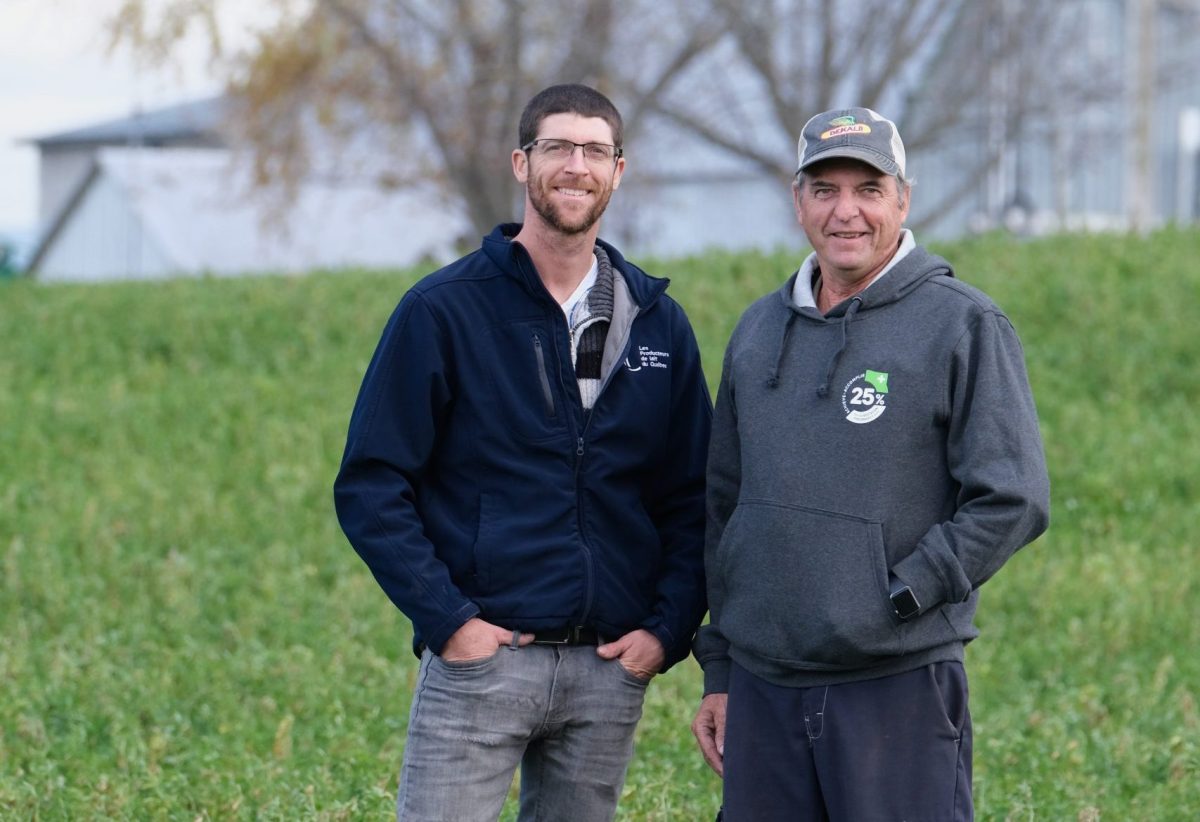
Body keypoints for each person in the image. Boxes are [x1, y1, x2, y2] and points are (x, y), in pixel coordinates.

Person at [334, 83, 711, 822]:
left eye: (595, 150)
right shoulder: (444, 310)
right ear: (521, 162)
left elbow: (696, 495)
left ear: (619, 171)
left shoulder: (657, 324)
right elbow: (373, 486)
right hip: (484, 662)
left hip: (607, 670)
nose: (577, 165)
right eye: (558, 147)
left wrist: (664, 633)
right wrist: (450, 623)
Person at [690, 107, 1050, 821]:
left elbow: (1013, 497)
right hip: (763, 690)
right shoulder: (759, 331)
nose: (845, 211)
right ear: (799, 202)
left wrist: (904, 591)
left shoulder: (963, 324)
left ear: (902, 199)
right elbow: (724, 504)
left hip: (898, 688)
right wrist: (721, 668)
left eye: (868, 188)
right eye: (824, 189)